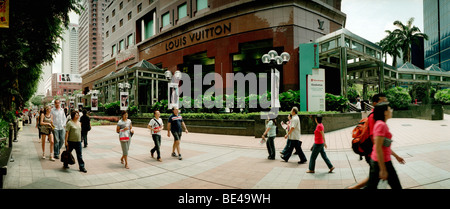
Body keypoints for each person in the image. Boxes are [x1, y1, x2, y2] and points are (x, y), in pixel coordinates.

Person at [348, 93, 387, 189]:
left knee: (374, 179)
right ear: (374, 103)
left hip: (374, 153)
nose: (385, 103)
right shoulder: (373, 117)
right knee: (374, 180)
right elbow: (374, 138)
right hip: (372, 154)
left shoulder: (379, 116)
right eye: (382, 101)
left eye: (385, 101)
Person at [366, 102, 405, 189]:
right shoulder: (381, 125)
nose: (391, 111)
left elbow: (385, 146)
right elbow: (378, 147)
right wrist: (383, 169)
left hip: (381, 161)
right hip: (382, 162)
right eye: (389, 109)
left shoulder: (381, 124)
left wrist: (396, 156)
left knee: (371, 187)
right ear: (384, 112)